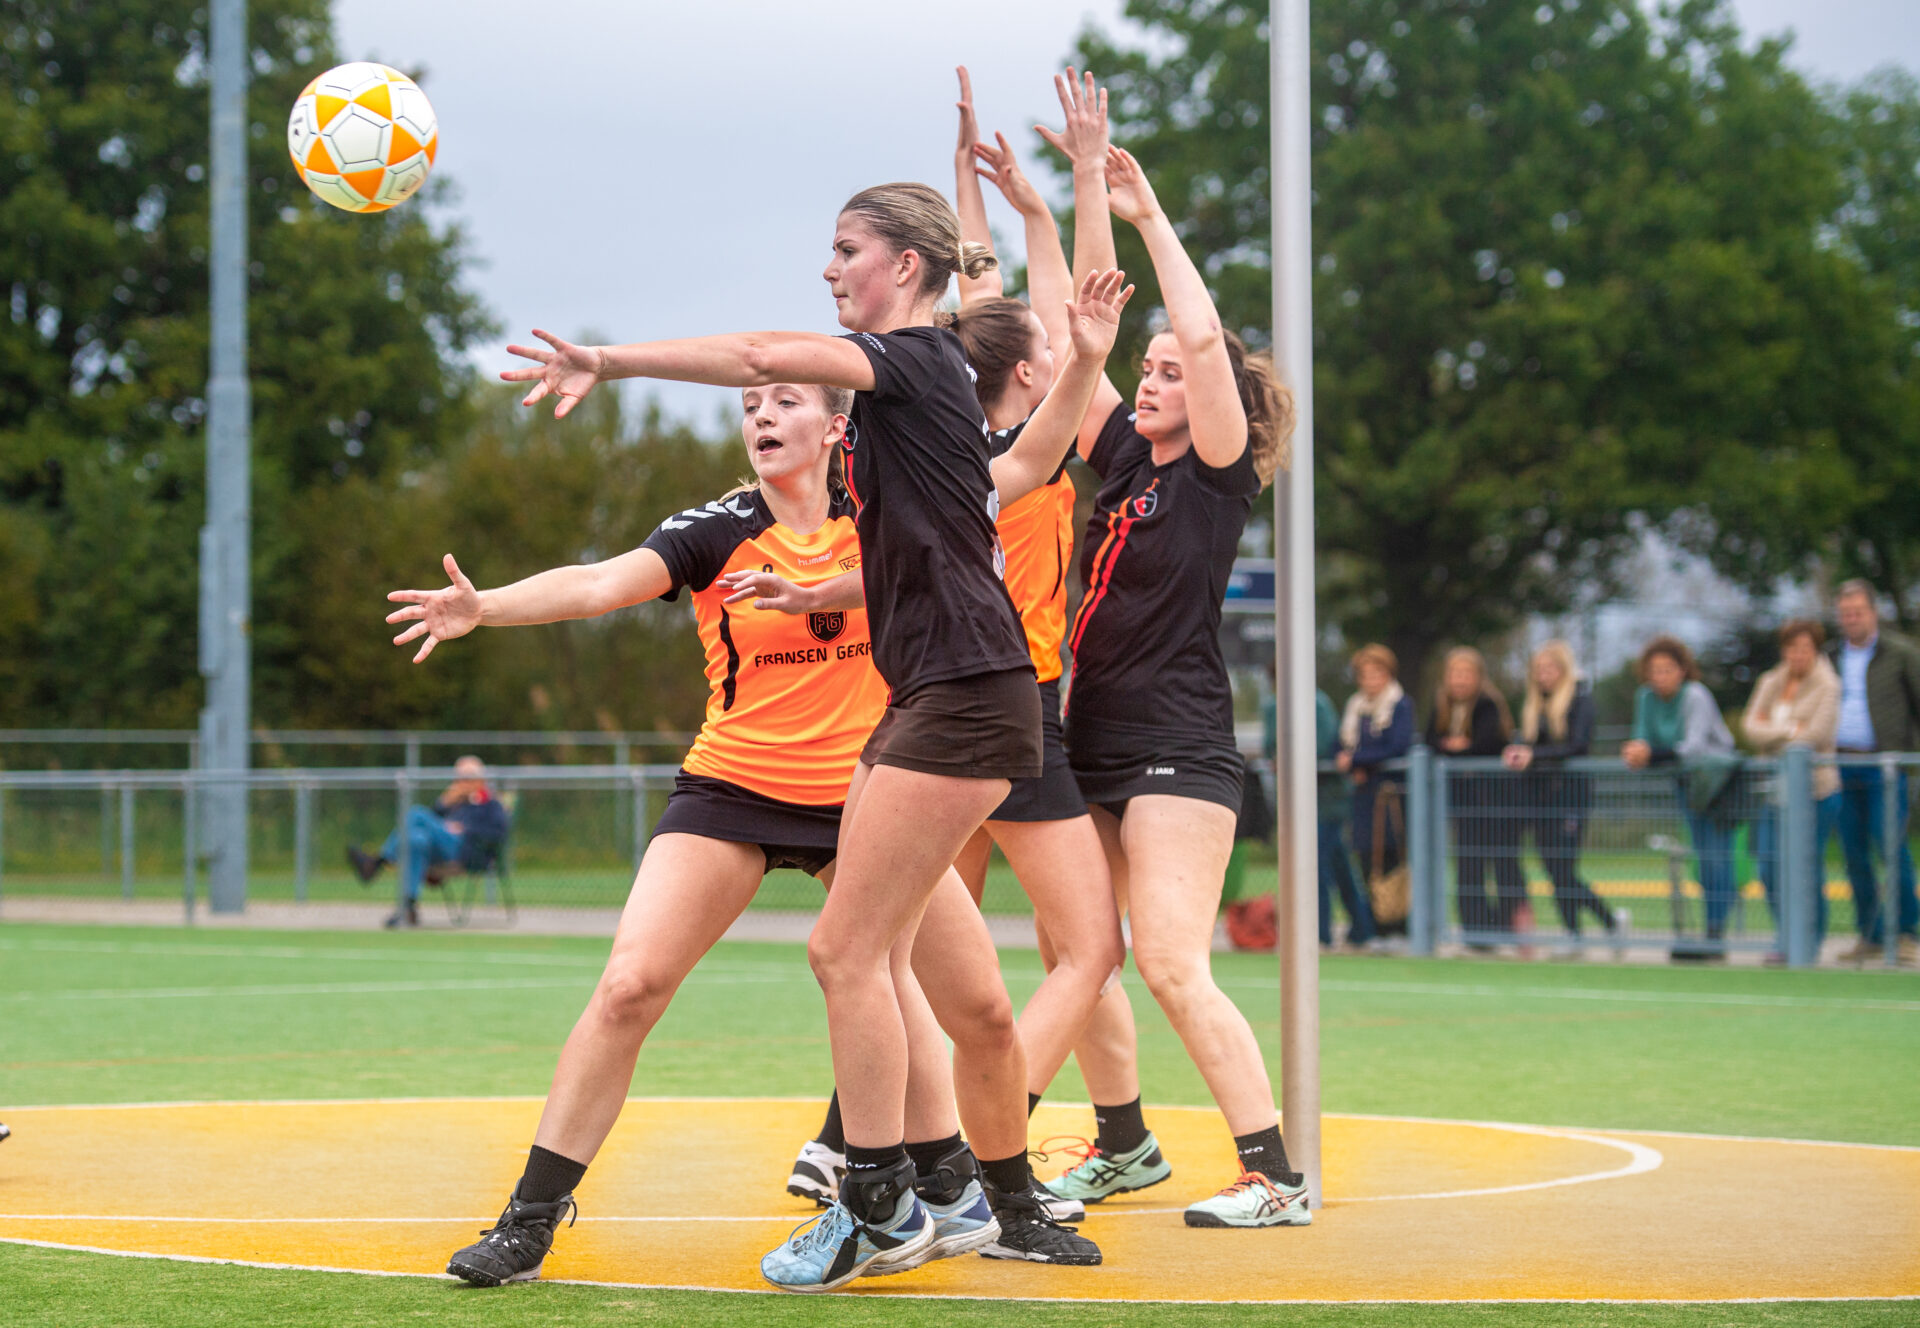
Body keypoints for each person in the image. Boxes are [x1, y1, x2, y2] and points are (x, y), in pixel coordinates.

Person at [498, 176, 1132, 1288]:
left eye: (847, 250)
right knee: (876, 959)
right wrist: (1081, 362)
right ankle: (931, 1190)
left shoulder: (909, 360)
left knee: (847, 951)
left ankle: (882, 1205)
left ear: (907, 268)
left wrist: (609, 360)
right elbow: (1022, 469)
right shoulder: (916, 407)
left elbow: (755, 350)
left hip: (966, 695)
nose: (831, 269)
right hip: (942, 700)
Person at [783, 69, 1127, 1228]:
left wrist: (1034, 204)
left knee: (900, 951)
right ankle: (959, 1176)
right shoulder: (956, 443)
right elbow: (976, 305)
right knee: (955, 965)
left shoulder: (977, 439)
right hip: (973, 700)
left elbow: (993, 305)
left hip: (978, 705)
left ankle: (911, 1169)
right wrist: (1022, 205)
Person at [1037, 106, 1309, 1230]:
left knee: (1173, 964)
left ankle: (1274, 1173)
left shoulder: (1212, 475)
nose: (1148, 378)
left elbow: (1199, 343)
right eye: (1143, 371)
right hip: (1089, 738)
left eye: (1165, 371)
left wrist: (1147, 214)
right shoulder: (1121, 462)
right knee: (1078, 953)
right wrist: (1078, 188)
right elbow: (1073, 335)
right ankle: (1122, 1144)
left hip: (1178, 749)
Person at [1622, 635, 1740, 952]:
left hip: (1717, 784)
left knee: (1716, 859)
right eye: (1654, 670)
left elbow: (1694, 748)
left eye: (1668, 669)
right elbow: (1642, 739)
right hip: (1686, 785)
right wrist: (1636, 753)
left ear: (1683, 670)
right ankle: (1709, 933)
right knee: (1700, 860)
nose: (1661, 677)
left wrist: (1652, 754)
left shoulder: (1696, 696)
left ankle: (1716, 933)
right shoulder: (1646, 697)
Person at [1503, 641, 1622, 941]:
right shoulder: (1535, 706)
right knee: (1552, 868)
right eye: (1538, 670)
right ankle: (1580, 932)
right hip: (1540, 798)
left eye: (1549, 669)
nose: (1543, 675)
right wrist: (1519, 752)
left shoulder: (1581, 699)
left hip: (1571, 795)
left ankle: (1606, 923)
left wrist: (1536, 757)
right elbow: (1534, 745)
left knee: (1563, 868)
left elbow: (1577, 746)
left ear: (1563, 669)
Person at [1829, 580, 1920, 964]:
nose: (1852, 619)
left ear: (1873, 612)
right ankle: (1871, 933)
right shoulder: (1831, 657)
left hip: (1886, 766)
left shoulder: (1899, 653)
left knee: (1890, 846)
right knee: (1853, 851)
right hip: (1841, 765)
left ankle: (1906, 933)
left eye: (1858, 612)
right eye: (1846, 614)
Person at [1743, 619, 1842, 959]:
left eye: (1805, 648)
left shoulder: (1828, 685)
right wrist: (1788, 729)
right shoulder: (1771, 680)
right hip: (1776, 790)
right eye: (1791, 648)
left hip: (1817, 792)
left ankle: (1808, 943)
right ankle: (1786, 937)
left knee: (1806, 868)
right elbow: (1749, 727)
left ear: (1815, 650)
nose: (1798, 655)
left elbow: (1815, 736)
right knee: (1769, 866)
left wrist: (1773, 730)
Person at [1428, 647, 1527, 939]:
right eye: (1454, 674)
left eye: (1465, 673)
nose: (1459, 680)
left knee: (1503, 863)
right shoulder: (1441, 706)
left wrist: (1460, 747)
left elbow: (1486, 743)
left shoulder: (1488, 705)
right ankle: (1475, 931)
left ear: (1478, 677)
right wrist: (1455, 746)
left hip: (1497, 800)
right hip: (1465, 802)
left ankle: (1508, 927)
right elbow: (1431, 740)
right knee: (1468, 864)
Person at [347, 755, 510, 929]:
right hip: (439, 848)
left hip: (467, 850)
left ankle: (377, 862)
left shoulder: (491, 803)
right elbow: (432, 821)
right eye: (459, 777)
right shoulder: (453, 802)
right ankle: (408, 908)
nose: (462, 782)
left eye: (468, 777)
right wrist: (444, 803)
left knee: (416, 813)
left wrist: (464, 828)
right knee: (415, 839)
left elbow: (499, 832)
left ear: (480, 779)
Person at [1337, 644, 1416, 934]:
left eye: (1376, 674)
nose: (1370, 680)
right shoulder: (1355, 707)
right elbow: (1340, 744)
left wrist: (1357, 761)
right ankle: (1375, 924)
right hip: (1363, 797)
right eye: (1364, 674)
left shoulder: (1400, 704)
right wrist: (1349, 760)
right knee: (1366, 857)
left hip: (1390, 796)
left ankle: (1399, 924)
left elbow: (1396, 746)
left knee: (1393, 856)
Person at [1316, 687, 1374, 949]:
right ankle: (1362, 928)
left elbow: (1326, 745)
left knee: (1316, 866)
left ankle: (1320, 933)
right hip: (1324, 800)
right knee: (1340, 866)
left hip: (1329, 801)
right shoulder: (1333, 705)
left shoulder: (1317, 704)